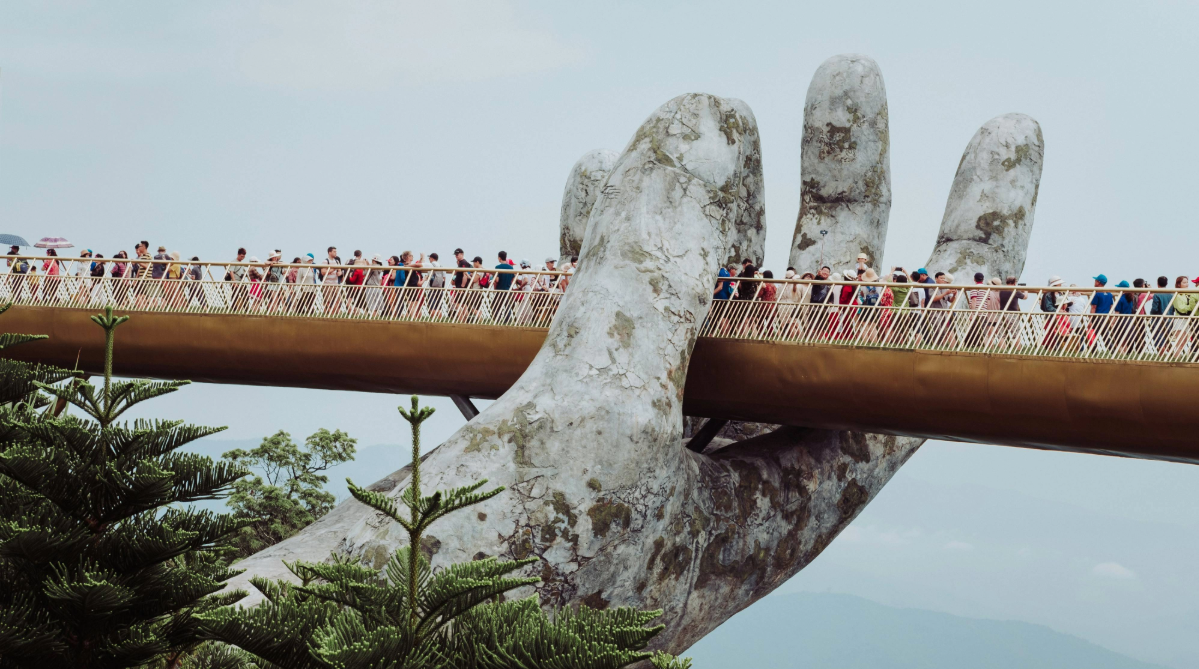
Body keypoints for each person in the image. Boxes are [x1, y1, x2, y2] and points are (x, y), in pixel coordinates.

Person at [1090, 274, 1115, 349]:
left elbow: (1093, 307)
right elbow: (1111, 307)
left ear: (1098, 282)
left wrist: (1090, 320)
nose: (1094, 282)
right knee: (1105, 335)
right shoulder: (1109, 294)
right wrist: (1111, 320)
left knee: (1094, 335)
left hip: (1097, 317)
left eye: (1095, 281)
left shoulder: (1097, 293)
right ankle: (1112, 351)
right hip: (1105, 317)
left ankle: (1094, 352)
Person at [1150, 275, 1172, 354]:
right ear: (1167, 283)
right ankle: (1167, 351)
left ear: (1157, 283)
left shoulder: (1157, 294)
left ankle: (1161, 352)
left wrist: (1151, 314)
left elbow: (1155, 309)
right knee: (1166, 336)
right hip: (1169, 318)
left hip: (1158, 319)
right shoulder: (1171, 293)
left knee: (1158, 336)